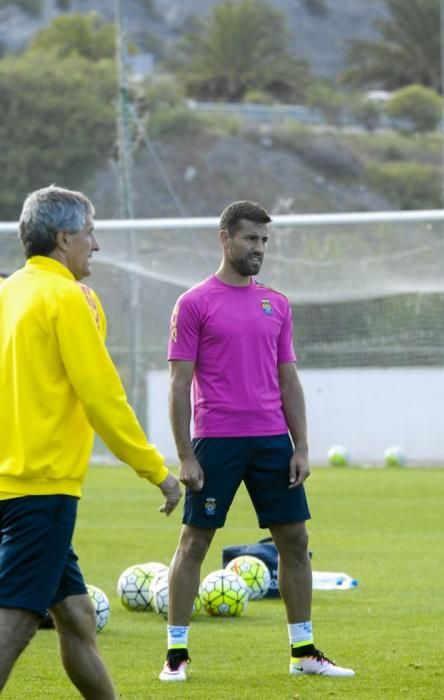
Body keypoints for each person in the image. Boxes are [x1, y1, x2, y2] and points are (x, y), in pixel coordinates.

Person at [159, 200, 354, 681]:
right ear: (224, 239)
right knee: (194, 543)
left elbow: (289, 380)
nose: (259, 248)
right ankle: (176, 655)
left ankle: (303, 652)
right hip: (217, 441)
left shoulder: (277, 303)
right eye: (251, 239)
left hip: (272, 441)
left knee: (296, 541)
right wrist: (185, 453)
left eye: (264, 240)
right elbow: (179, 384)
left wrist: (301, 445)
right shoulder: (194, 303)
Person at [0, 185, 182, 698]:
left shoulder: (9, 290)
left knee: (77, 616)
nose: (95, 245)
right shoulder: (68, 298)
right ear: (64, 239)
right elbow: (103, 398)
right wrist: (157, 471)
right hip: (42, 488)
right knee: (14, 620)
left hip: (11, 484)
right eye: (89, 233)